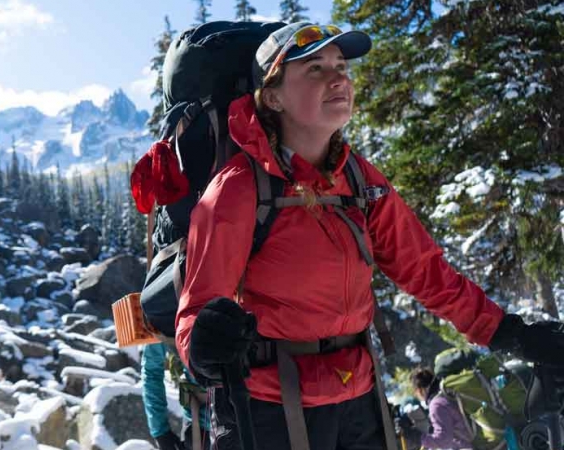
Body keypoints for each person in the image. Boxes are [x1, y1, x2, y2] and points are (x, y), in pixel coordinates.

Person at [173, 21, 564, 450]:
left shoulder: (358, 179)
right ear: (272, 96)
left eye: (341, 65)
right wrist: (203, 349)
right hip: (268, 411)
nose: (338, 77)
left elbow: (427, 274)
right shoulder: (238, 187)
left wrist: (510, 333)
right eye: (315, 68)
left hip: (358, 400)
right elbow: (197, 310)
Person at [142, 342, 210, 450]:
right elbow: (152, 371)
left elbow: (152, 370)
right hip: (201, 427)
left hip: (202, 425)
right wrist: (160, 432)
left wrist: (160, 431)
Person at [399, 368, 474, 450]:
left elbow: (443, 441)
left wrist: (417, 437)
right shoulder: (445, 394)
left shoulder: (436, 404)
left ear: (419, 390)